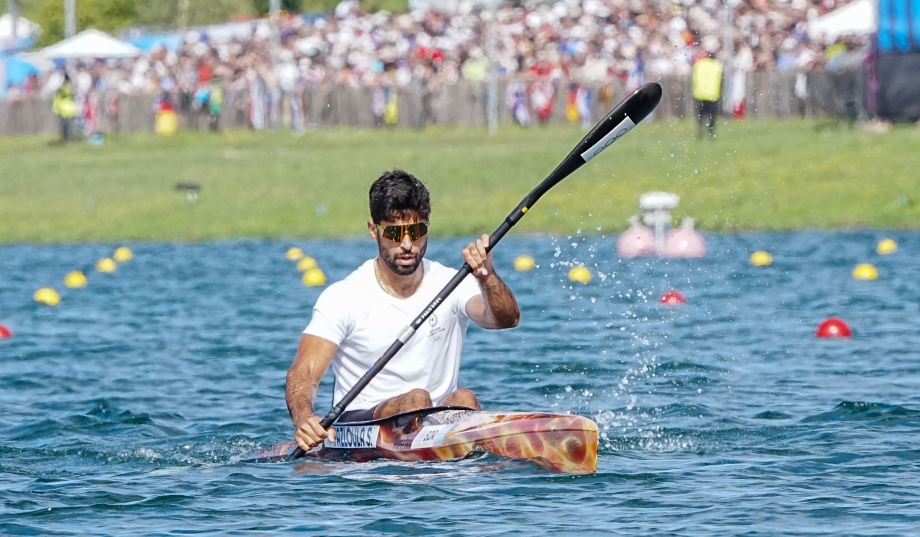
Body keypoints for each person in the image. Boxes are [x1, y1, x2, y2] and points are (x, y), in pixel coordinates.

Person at [286, 170, 520, 452]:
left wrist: (487, 276)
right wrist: (304, 418)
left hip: (434, 422)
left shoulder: (453, 283)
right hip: (359, 430)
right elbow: (304, 373)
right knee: (416, 399)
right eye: (395, 233)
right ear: (374, 231)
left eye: (417, 231)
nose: (408, 244)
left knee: (464, 399)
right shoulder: (342, 297)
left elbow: (506, 319)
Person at [692, 46, 723, 139]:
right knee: (712, 115)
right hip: (713, 94)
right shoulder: (717, 66)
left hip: (700, 93)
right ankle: (711, 131)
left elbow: (694, 79)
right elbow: (721, 80)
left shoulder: (699, 64)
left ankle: (700, 130)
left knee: (701, 114)